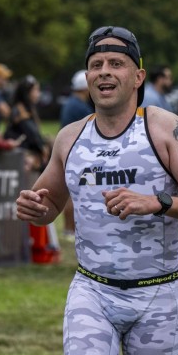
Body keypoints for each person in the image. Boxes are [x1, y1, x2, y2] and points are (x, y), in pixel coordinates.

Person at [15, 25, 178, 355]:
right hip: (93, 293)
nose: (105, 72)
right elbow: (50, 204)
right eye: (96, 65)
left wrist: (159, 202)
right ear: (87, 76)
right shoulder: (69, 138)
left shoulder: (165, 129)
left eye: (116, 63)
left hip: (157, 297)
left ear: (139, 76)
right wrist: (35, 209)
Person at [59, 69, 95, 239]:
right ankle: (71, 230)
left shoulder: (71, 103)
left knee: (74, 193)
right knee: (79, 194)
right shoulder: (80, 107)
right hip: (82, 156)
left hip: (74, 154)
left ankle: (69, 229)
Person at [4, 75, 52, 172]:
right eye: (36, 90)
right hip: (22, 154)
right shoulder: (20, 110)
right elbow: (31, 133)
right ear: (27, 92)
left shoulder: (28, 108)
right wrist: (42, 147)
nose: (38, 93)